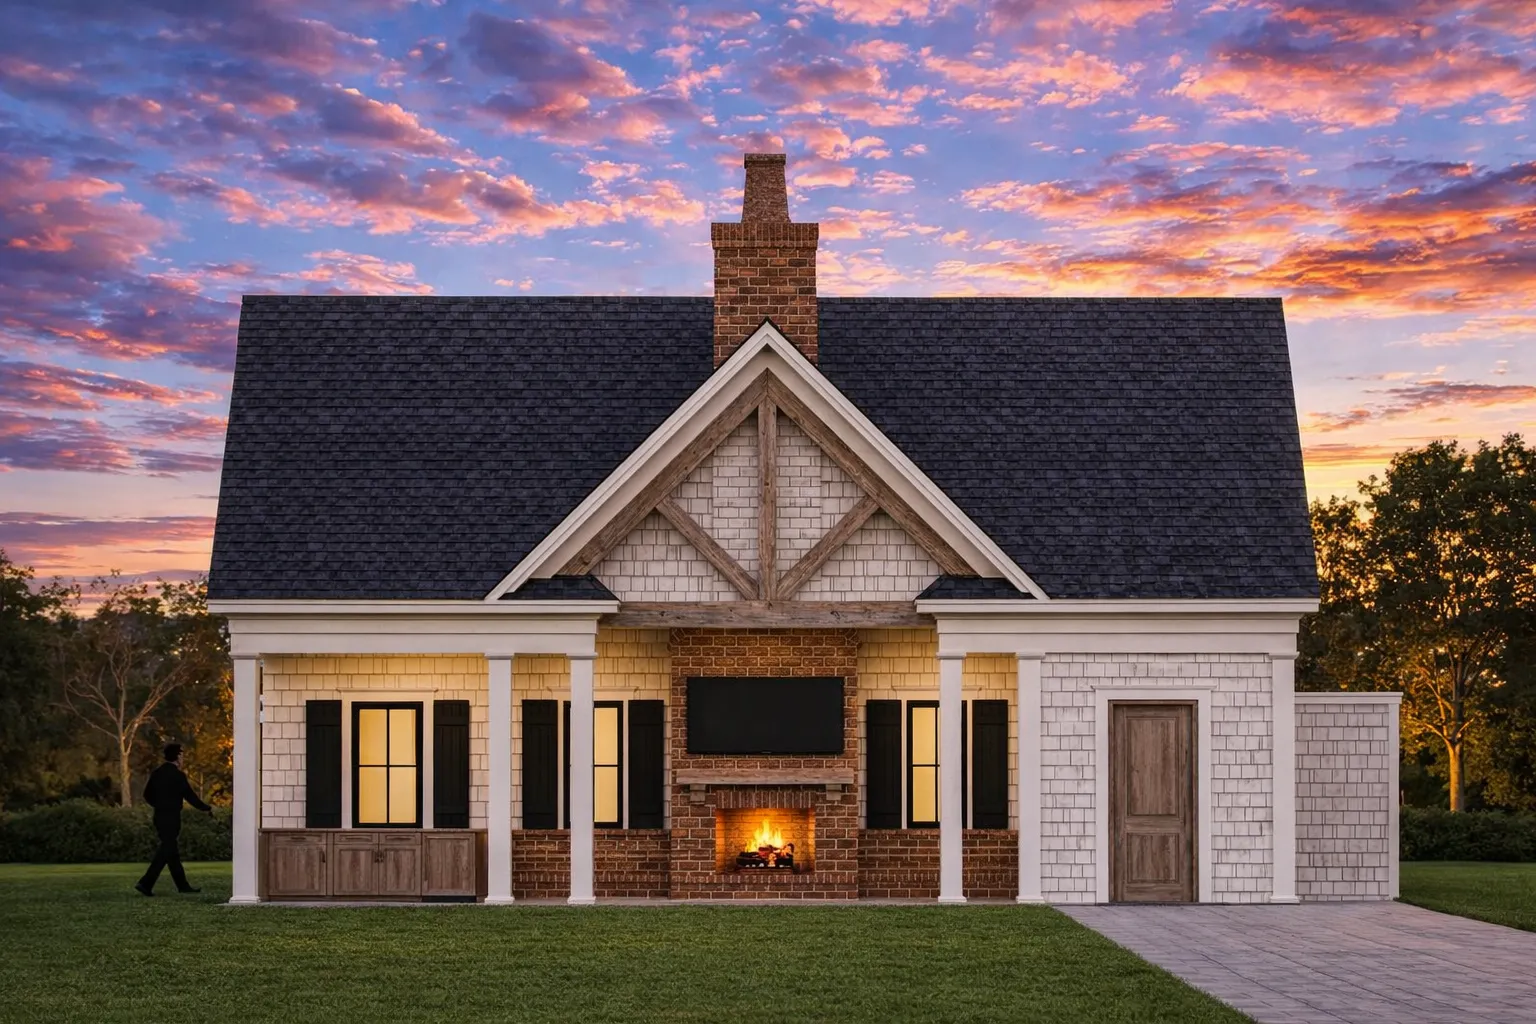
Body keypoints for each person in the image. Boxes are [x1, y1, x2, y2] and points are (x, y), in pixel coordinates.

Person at [135, 744, 213, 896]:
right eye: (182, 755)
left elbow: (147, 794)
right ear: (177, 756)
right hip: (172, 817)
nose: (183, 759)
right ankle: (145, 883)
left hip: (159, 816)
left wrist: (158, 805)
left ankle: (182, 885)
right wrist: (206, 808)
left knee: (172, 852)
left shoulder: (157, 773)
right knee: (167, 849)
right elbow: (190, 796)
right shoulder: (178, 776)